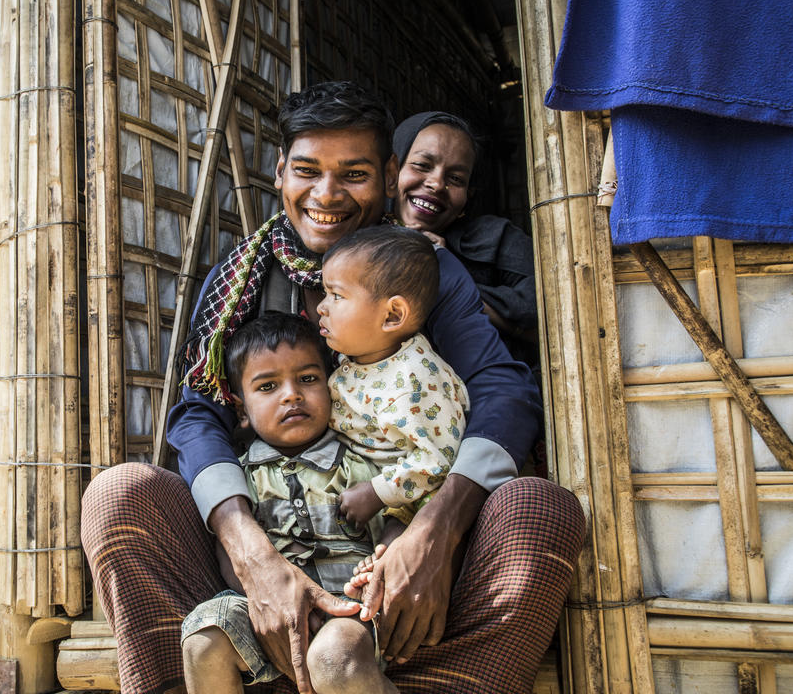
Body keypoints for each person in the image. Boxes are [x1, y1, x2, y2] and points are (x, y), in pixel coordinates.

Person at [82, 81, 585, 694]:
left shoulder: (417, 268)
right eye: (307, 171)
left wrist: (436, 532)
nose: (326, 195)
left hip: (396, 569)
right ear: (278, 173)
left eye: (354, 173)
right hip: (259, 569)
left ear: (389, 174)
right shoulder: (237, 280)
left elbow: (503, 388)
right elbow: (197, 414)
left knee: (540, 510)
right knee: (120, 494)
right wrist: (249, 551)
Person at [180, 313, 401, 694]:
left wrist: (386, 561)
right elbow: (230, 553)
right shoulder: (239, 476)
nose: (291, 394)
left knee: (334, 657)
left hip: (347, 609)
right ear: (241, 411)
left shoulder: (359, 464)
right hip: (262, 611)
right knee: (203, 638)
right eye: (268, 386)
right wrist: (260, 600)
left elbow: (396, 518)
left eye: (308, 379)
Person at [316, 225, 468, 529]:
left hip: (407, 499)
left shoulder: (415, 382)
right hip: (355, 479)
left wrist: (377, 493)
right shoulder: (362, 354)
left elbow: (438, 460)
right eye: (325, 294)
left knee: (401, 534)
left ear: (392, 316)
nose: (322, 307)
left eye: (336, 296)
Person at [392, 112, 539, 368]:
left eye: (456, 179)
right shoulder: (358, 242)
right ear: (391, 173)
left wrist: (443, 272)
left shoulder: (497, 238)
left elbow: (544, 312)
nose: (437, 184)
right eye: (422, 165)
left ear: (467, 198)